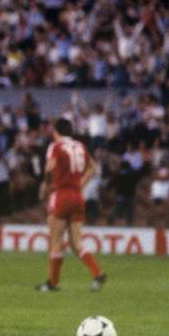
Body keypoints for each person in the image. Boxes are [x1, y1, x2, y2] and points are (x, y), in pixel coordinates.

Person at [36, 117, 107, 293]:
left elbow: (49, 169)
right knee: (77, 243)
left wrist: (45, 185)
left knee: (56, 241)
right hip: (77, 196)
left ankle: (52, 283)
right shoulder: (81, 146)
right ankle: (97, 274)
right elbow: (93, 168)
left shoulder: (56, 147)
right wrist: (80, 184)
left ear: (56, 131)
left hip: (61, 195)